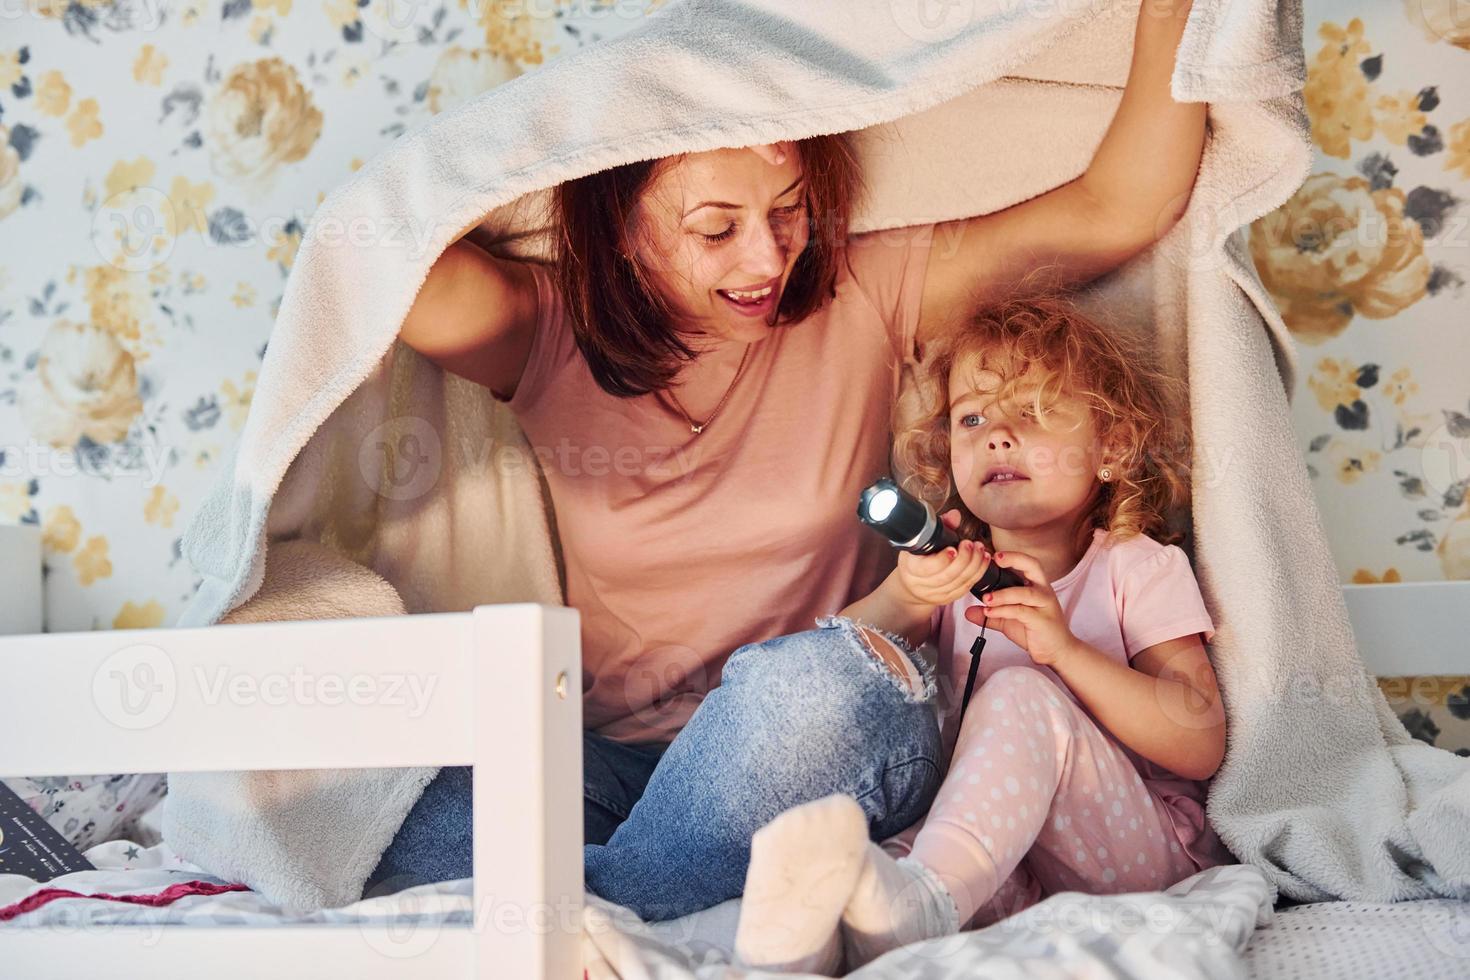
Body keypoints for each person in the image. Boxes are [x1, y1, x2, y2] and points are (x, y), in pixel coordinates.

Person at [367, 0, 1206, 922]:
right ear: (618, 225)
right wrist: (600, 114)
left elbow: (1117, 206)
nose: (766, 256)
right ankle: (635, 907)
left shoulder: (865, 296)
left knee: (792, 684)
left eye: (789, 208)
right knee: (414, 804)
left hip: (826, 722)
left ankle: (587, 924)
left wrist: (1172, 13)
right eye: (716, 229)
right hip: (623, 764)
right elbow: (383, 247)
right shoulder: (545, 329)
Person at [731, 295, 1234, 975]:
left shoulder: (1134, 565)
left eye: (1030, 413)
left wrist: (1067, 653)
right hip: (998, 861)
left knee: (1022, 692)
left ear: (1111, 448)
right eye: (972, 417)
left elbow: (1200, 739)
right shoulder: (951, 574)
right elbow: (828, 679)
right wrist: (907, 593)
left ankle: (924, 905)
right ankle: (802, 946)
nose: (996, 433)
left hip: (1134, 856)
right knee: (866, 863)